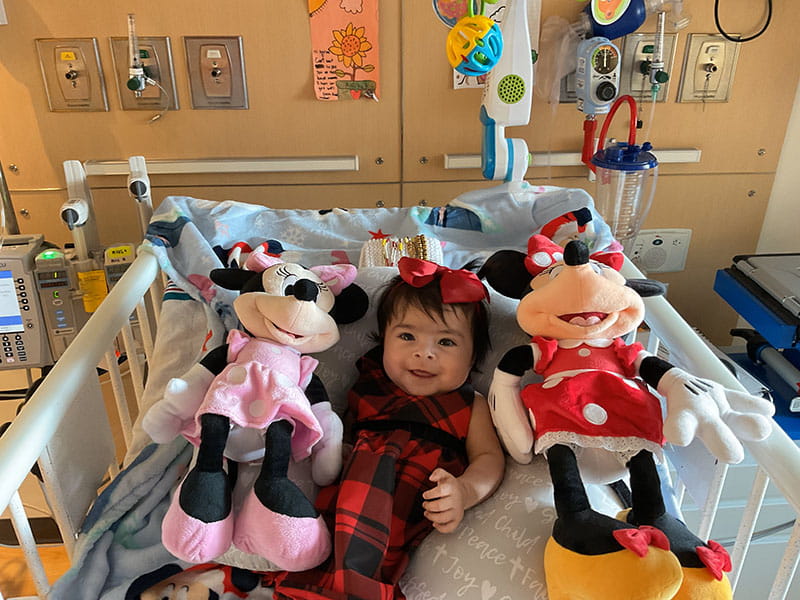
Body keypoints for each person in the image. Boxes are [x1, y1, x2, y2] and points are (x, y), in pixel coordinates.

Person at [273, 257, 506, 600]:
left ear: (472, 358)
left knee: (371, 571)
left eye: (446, 342)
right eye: (407, 336)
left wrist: (465, 491)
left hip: (407, 511)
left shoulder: (470, 404)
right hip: (345, 504)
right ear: (384, 342)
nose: (424, 353)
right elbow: (342, 435)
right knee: (315, 558)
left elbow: (489, 458)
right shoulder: (368, 385)